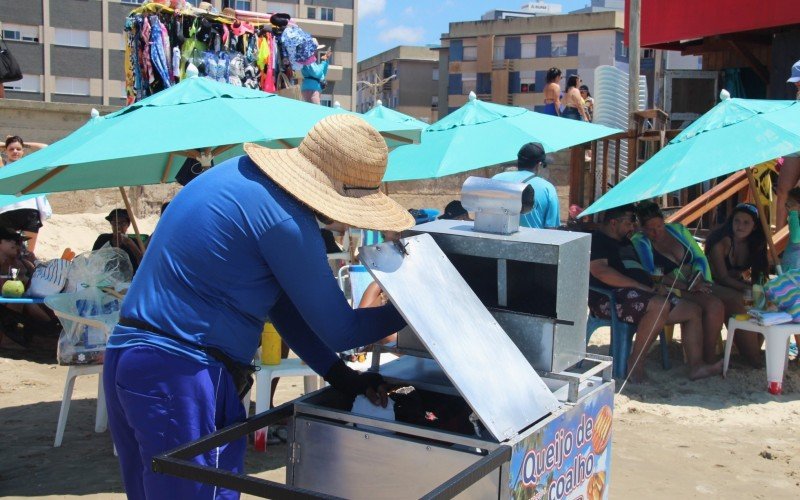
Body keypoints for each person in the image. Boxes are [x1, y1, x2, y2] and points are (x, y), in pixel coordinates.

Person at [103, 115, 413, 499]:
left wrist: (340, 375)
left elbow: (283, 310)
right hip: (183, 373)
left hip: (130, 358)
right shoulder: (286, 220)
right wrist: (415, 306)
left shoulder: (240, 176)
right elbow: (342, 330)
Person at [589, 204, 722, 382]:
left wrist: (653, 284)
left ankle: (696, 366)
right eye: (629, 223)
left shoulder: (625, 241)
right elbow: (600, 272)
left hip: (640, 295)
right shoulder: (598, 240)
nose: (632, 227)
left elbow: (640, 269)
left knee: (692, 310)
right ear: (614, 222)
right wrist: (638, 285)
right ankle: (635, 365)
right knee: (660, 305)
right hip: (611, 299)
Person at [631, 201, 726, 365]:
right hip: (672, 288)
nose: (656, 232)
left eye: (659, 226)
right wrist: (688, 286)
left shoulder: (678, 230)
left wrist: (699, 278)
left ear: (663, 221)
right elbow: (652, 274)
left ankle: (739, 354)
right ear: (642, 228)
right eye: (650, 230)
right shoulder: (640, 241)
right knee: (714, 305)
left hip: (698, 280)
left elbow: (699, 257)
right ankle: (708, 357)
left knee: (734, 300)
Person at [705, 203, 769, 367]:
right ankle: (753, 356)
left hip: (734, 284)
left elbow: (759, 276)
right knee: (739, 300)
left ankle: (749, 349)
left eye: (746, 222)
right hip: (710, 284)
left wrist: (758, 291)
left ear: (755, 226)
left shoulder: (756, 243)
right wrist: (748, 289)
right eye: (737, 221)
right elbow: (723, 277)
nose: (740, 226)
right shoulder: (720, 242)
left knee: (765, 303)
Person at [0, 136, 51, 252]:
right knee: (8, 253)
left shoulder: (29, 164)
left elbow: (45, 148)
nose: (15, 152)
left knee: (29, 252)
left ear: (23, 151)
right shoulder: (2, 166)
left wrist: (24, 144)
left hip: (29, 210)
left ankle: (29, 269)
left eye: (18, 149)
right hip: (6, 212)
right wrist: (5, 144)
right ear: (5, 151)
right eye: (11, 149)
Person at [492, 142, 560, 229]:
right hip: (531, 241)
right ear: (539, 165)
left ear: (518, 160)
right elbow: (551, 229)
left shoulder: (496, 179)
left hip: (496, 240)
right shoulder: (547, 189)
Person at [774, 60, 800, 230]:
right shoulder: (798, 94)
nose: (797, 83)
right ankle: (778, 236)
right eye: (796, 81)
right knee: (783, 189)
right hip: (794, 143)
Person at [300, 39, 330, 105]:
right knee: (315, 111)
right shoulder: (308, 59)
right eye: (315, 49)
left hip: (312, 88)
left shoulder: (310, 60)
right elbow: (316, 72)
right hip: (311, 89)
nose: (316, 51)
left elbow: (322, 74)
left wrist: (325, 61)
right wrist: (323, 62)